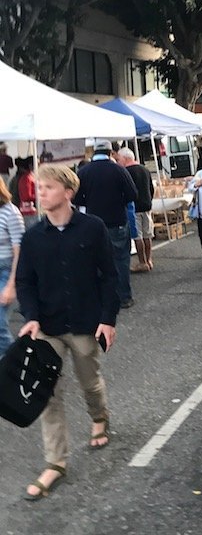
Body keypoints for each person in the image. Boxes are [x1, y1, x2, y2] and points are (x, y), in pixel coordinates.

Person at [16, 165, 119, 500]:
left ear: (67, 191)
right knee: (47, 394)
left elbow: (108, 275)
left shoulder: (92, 228)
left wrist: (108, 318)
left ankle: (99, 416)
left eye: (47, 187)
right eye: (39, 187)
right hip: (47, 327)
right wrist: (30, 317)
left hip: (85, 324)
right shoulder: (32, 236)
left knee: (90, 380)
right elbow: (25, 282)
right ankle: (55, 462)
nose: (40, 192)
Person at [73, 140, 138, 309]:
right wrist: (118, 200)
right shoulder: (118, 170)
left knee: (96, 260)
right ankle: (124, 297)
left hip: (93, 222)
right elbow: (132, 194)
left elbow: (77, 198)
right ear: (111, 152)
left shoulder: (84, 171)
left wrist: (91, 200)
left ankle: (101, 297)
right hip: (117, 220)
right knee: (121, 260)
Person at [116, 147, 155, 272]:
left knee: (137, 236)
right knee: (147, 235)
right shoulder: (144, 169)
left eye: (119, 159)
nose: (118, 162)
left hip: (135, 207)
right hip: (147, 205)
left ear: (125, 158)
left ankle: (142, 262)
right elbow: (151, 188)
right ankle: (149, 260)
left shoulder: (125, 172)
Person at [0, 177, 24, 357]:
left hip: (6, 271)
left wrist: (11, 284)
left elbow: (20, 250)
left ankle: (13, 366)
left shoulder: (11, 212)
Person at [16, 155, 39, 229]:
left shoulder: (31, 176)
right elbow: (26, 196)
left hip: (34, 209)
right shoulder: (26, 178)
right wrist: (39, 195)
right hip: (28, 211)